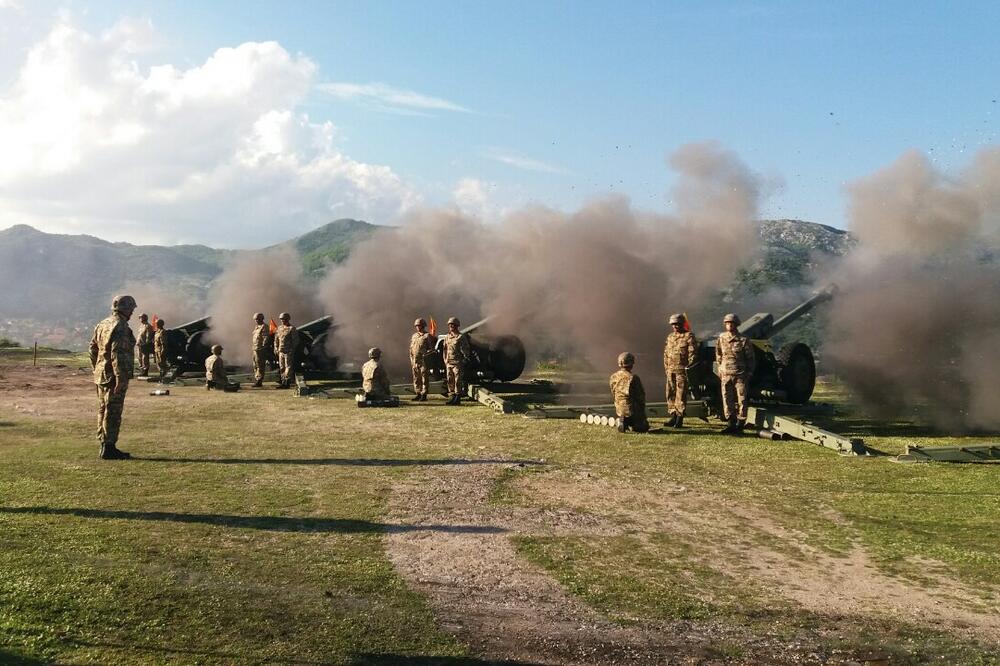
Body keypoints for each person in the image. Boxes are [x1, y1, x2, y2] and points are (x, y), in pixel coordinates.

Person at [89, 294, 137, 460]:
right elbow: (118, 354)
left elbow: (92, 348)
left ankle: (104, 443)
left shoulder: (103, 324)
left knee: (103, 409)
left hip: (101, 374)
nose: (132, 312)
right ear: (126, 308)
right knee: (113, 411)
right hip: (113, 377)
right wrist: (120, 378)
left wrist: (96, 368)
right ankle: (109, 447)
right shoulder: (121, 326)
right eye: (131, 309)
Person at [716, 313, 755, 434]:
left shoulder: (743, 340)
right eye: (727, 323)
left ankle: (740, 424)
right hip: (726, 374)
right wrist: (720, 368)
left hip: (740, 374)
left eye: (731, 323)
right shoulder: (721, 338)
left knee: (742, 399)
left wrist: (749, 373)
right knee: (727, 398)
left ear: (736, 324)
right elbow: (718, 354)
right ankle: (730, 423)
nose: (729, 325)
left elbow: (750, 358)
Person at [663, 313, 697, 428]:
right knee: (670, 394)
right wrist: (667, 368)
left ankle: (679, 418)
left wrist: (688, 367)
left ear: (682, 324)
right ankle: (673, 416)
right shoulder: (670, 337)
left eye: (677, 324)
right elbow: (666, 354)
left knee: (680, 395)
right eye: (673, 324)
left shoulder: (689, 336)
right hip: (670, 370)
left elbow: (692, 354)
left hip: (682, 371)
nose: (675, 326)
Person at [609, 352, 649, 433]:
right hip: (632, 411)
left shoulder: (613, 377)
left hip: (620, 410)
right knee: (643, 427)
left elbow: (613, 393)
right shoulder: (633, 378)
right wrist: (642, 415)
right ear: (631, 363)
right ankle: (632, 422)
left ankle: (623, 420)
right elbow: (640, 397)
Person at [443, 317, 471, 405]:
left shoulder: (460, 337)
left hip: (457, 363)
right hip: (449, 362)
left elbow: (465, 349)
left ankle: (457, 398)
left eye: (453, 325)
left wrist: (465, 359)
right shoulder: (447, 337)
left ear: (456, 326)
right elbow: (444, 349)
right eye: (450, 325)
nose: (451, 326)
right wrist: (445, 360)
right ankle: (452, 397)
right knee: (450, 380)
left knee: (457, 380)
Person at [408, 318, 435, 401]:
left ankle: (424, 394)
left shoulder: (427, 336)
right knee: (416, 378)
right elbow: (411, 348)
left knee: (424, 378)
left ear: (423, 326)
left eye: (419, 325)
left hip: (423, 360)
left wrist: (426, 356)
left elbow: (432, 349)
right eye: (416, 326)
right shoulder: (414, 336)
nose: (418, 327)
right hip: (415, 360)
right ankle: (418, 393)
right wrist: (412, 359)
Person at [274, 312, 299, 389]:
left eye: (284, 319)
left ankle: (287, 382)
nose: (282, 320)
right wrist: (276, 348)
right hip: (281, 351)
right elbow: (276, 339)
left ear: (288, 319)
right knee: (282, 367)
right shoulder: (279, 328)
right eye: (281, 319)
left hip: (288, 351)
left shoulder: (292, 328)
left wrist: (292, 349)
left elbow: (295, 341)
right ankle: (283, 382)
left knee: (288, 367)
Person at [251, 312, 270, 387]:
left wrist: (263, 347)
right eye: (255, 319)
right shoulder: (256, 327)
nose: (256, 320)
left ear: (262, 319)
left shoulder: (264, 326)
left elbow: (265, 337)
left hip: (260, 349)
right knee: (255, 365)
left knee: (260, 365)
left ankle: (259, 381)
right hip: (255, 349)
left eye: (258, 319)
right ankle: (257, 379)